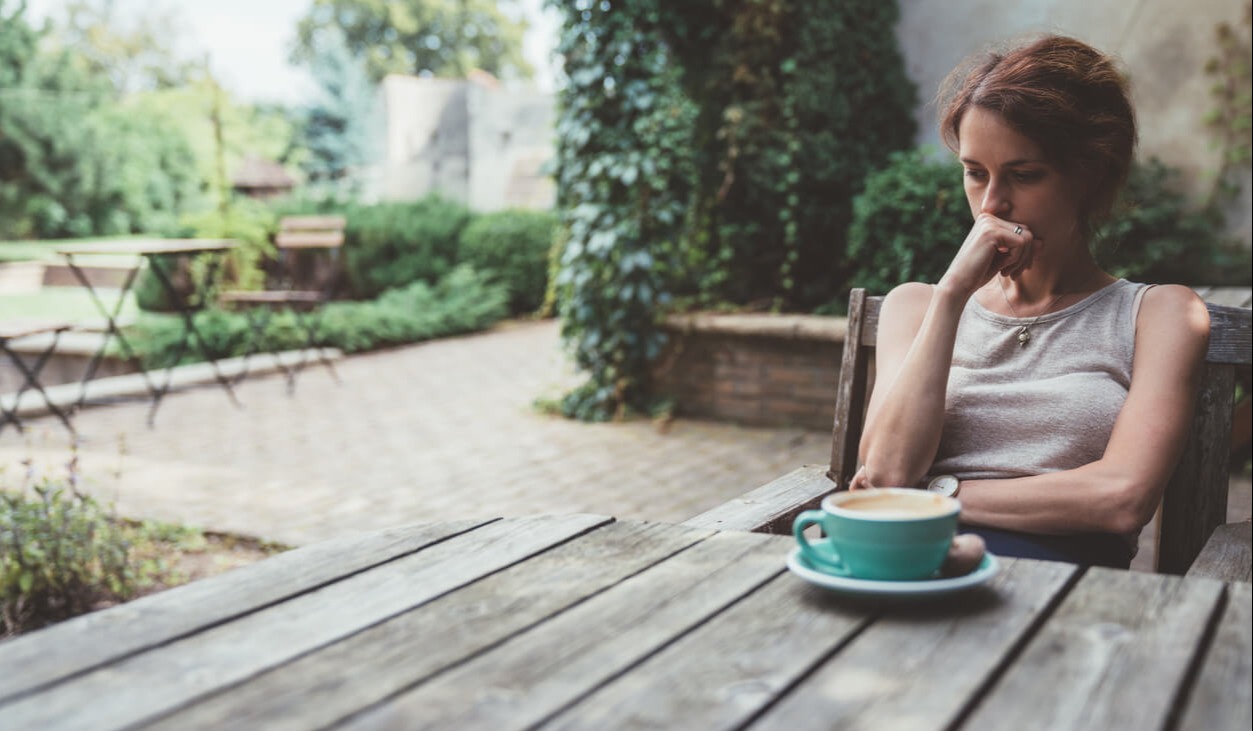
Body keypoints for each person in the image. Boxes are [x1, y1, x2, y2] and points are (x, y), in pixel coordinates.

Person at [850, 35, 1210, 569]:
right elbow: (884, 475)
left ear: (1089, 175)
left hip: (1058, 593)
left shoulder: (1161, 315)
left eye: (1024, 175)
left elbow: (1121, 499)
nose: (992, 204)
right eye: (976, 173)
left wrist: (938, 494)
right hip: (909, 567)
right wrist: (951, 297)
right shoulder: (919, 307)